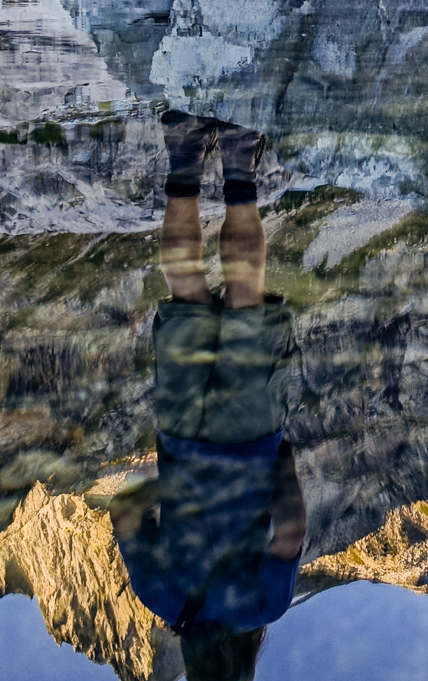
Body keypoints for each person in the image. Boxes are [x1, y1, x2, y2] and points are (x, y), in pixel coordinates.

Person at [110, 109, 303, 681]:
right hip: (182, 433)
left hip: (249, 438)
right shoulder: (165, 602)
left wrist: (285, 469)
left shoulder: (264, 607)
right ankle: (183, 153)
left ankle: (240, 157)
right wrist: (169, 481)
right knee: (186, 289)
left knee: (245, 293)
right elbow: (125, 514)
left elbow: (290, 530)